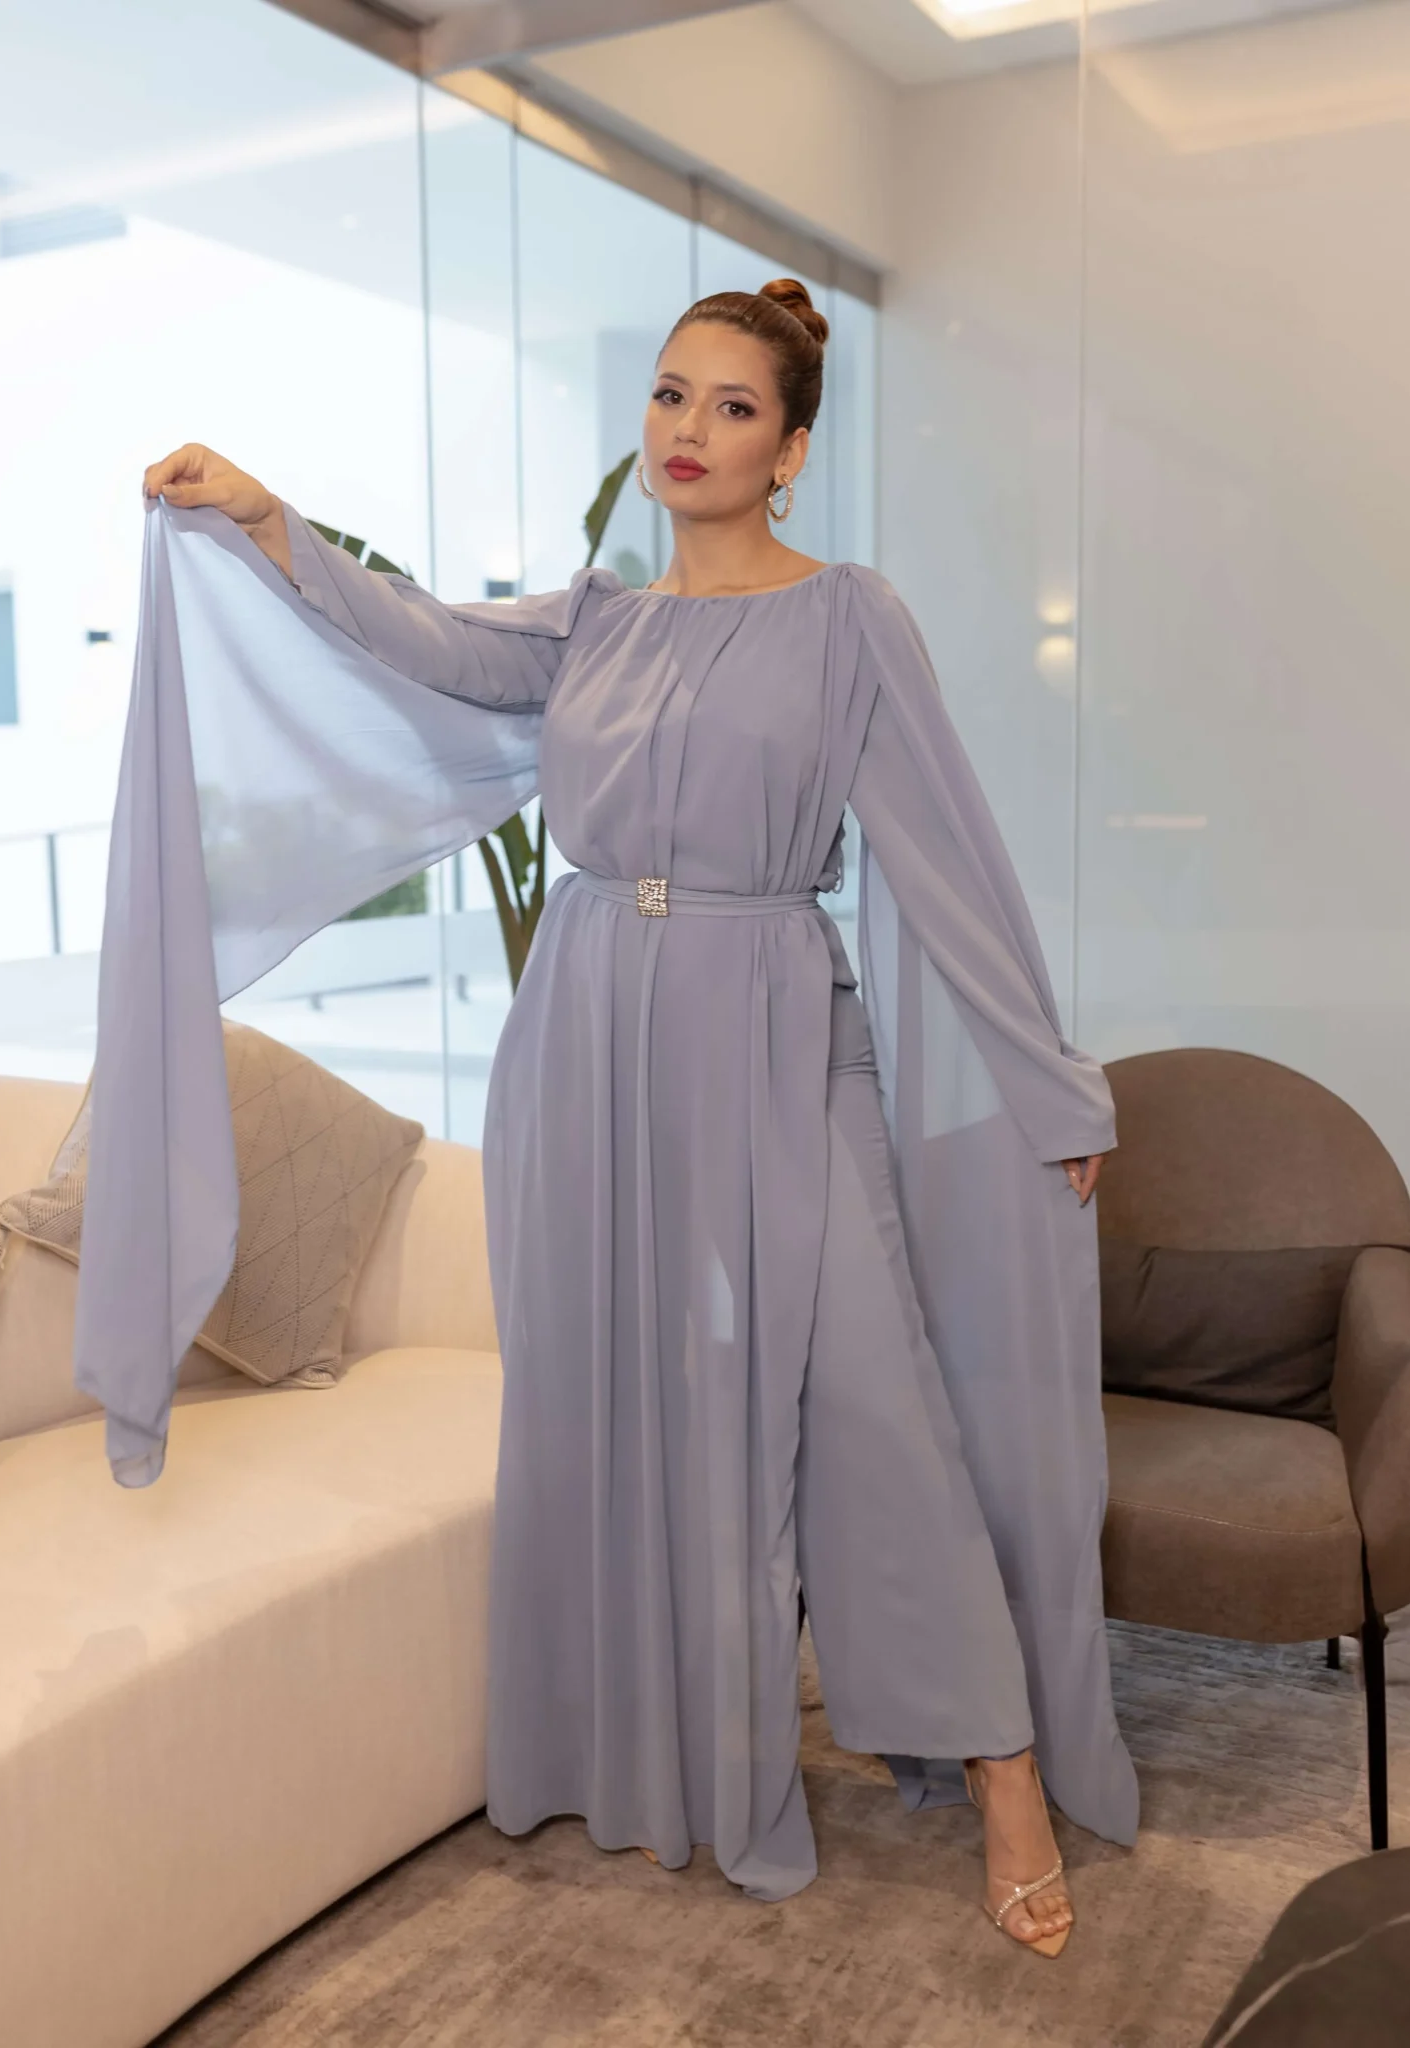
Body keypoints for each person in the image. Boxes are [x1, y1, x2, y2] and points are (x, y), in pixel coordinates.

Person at [134, 277, 1138, 1953]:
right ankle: (669, 1750)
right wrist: (263, 518)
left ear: (791, 450)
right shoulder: (591, 623)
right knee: (620, 1396)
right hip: (587, 1036)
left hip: (773, 1023)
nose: (688, 430)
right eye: (672, 394)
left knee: (877, 1392)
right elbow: (417, 637)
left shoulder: (849, 622)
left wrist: (1045, 1073)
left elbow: (947, 848)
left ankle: (1003, 1760)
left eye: (733, 407)